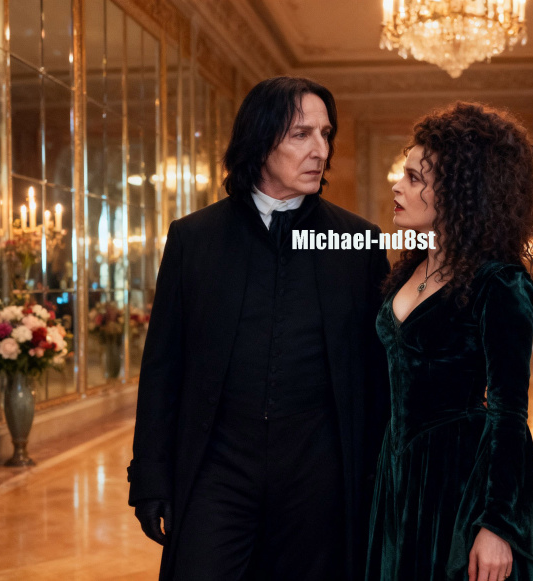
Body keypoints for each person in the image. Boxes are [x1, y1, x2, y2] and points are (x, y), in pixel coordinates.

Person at [127, 76, 390, 581]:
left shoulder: (357, 241)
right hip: (217, 469)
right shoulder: (194, 238)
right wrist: (151, 476)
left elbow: (378, 374)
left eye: (325, 134)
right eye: (301, 134)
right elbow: (163, 367)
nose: (320, 151)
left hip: (319, 475)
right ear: (260, 139)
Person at [365, 102, 533, 581]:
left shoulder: (500, 283)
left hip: (459, 478)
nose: (397, 186)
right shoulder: (409, 269)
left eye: (414, 177)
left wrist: (497, 525)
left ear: (459, 193)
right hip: (400, 470)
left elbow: (509, 412)